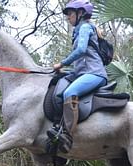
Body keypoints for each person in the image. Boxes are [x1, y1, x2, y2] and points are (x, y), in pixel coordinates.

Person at [51, 0, 108, 153]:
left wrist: (61, 64)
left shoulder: (85, 27)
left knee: (70, 93)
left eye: (70, 14)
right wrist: (65, 71)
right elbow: (81, 62)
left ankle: (66, 135)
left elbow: (81, 50)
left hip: (94, 73)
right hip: (83, 73)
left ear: (80, 13)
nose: (68, 18)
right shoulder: (80, 30)